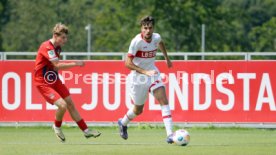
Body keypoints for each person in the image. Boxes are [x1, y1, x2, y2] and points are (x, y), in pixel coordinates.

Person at [34, 23, 101, 142]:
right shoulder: (47, 47)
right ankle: (57, 126)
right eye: (63, 37)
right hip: (42, 82)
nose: (66, 40)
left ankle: (86, 131)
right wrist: (75, 63)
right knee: (62, 105)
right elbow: (57, 65)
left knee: (70, 103)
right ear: (55, 35)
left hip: (54, 79)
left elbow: (54, 68)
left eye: (66, 37)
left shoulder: (58, 48)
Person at [118, 16, 174, 143]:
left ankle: (170, 134)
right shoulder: (136, 42)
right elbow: (127, 63)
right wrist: (145, 72)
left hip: (153, 73)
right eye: (145, 28)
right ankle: (123, 123)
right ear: (141, 29)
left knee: (163, 100)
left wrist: (166, 58)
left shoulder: (156, 37)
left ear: (153, 28)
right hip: (138, 78)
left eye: (150, 28)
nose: (148, 31)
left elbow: (160, 43)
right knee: (138, 110)